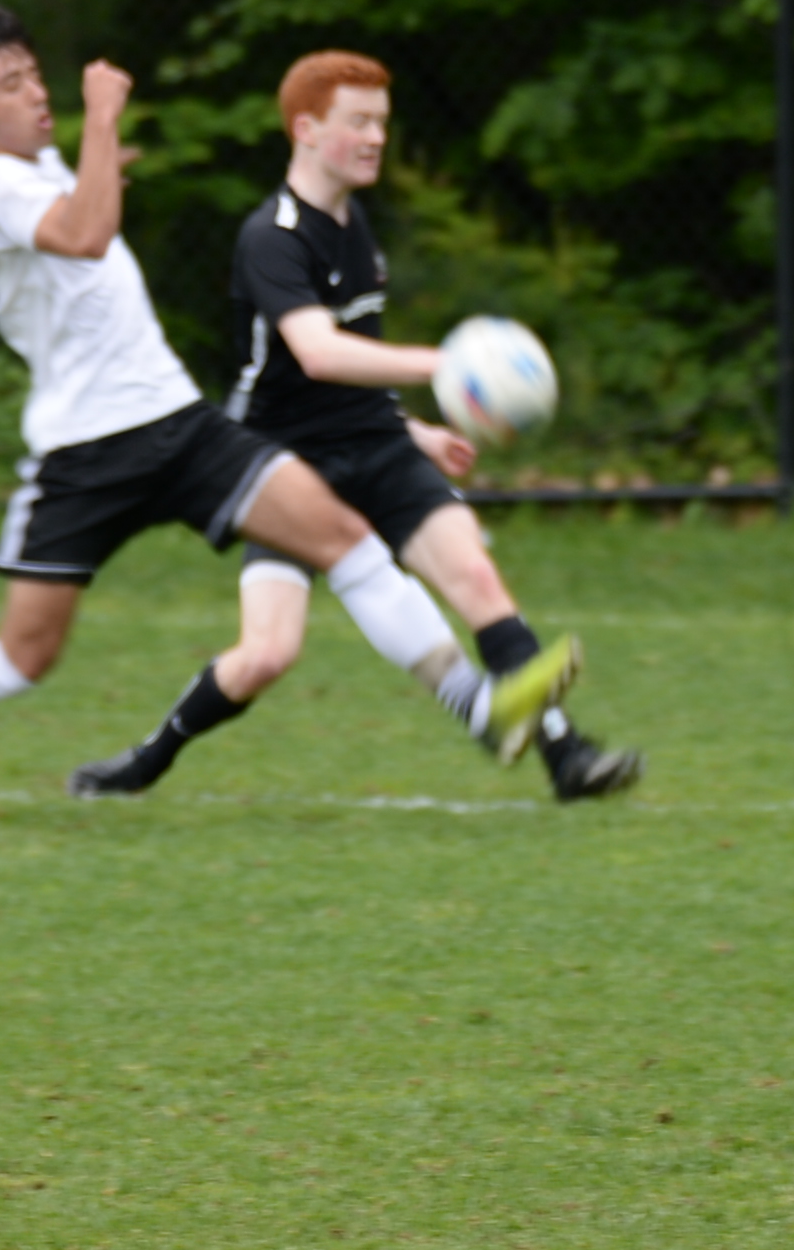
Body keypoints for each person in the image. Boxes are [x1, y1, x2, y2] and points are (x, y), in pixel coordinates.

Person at [0, 5, 576, 816]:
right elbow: (87, 235)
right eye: (10, 84)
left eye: (34, 74)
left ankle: (482, 709)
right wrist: (103, 118)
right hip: (84, 452)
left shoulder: (20, 174)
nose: (36, 93)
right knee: (24, 655)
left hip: (177, 421)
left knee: (346, 538)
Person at [70, 50, 640, 805]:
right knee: (267, 653)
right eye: (359, 123)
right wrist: (446, 363)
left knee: (474, 577)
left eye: (382, 124)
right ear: (306, 129)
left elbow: (356, 360)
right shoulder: (271, 236)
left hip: (375, 445)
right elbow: (319, 352)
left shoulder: (355, 223)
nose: (376, 139)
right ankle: (147, 760)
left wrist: (413, 430)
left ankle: (567, 757)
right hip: (282, 466)